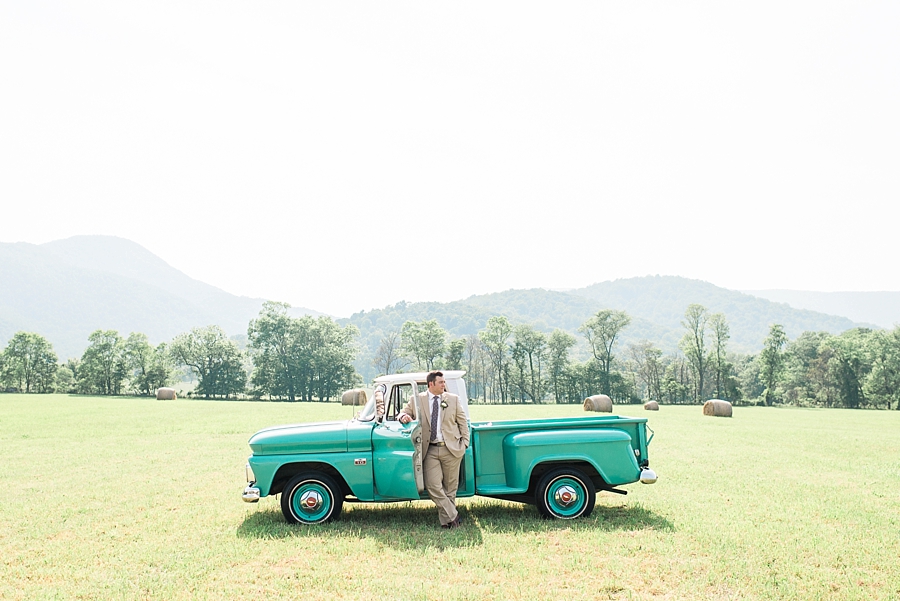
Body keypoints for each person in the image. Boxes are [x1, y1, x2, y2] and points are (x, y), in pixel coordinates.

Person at [399, 371, 469, 529]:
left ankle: (447, 523)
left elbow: (462, 422)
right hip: (429, 449)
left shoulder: (453, 399)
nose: (444, 385)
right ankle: (454, 515)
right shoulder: (418, 399)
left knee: (451, 488)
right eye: (441, 382)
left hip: (451, 449)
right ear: (431, 384)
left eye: (444, 382)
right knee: (432, 486)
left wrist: (464, 443)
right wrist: (403, 417)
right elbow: (404, 412)